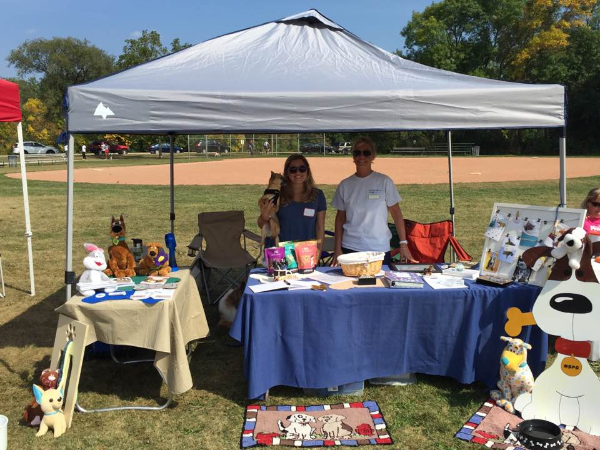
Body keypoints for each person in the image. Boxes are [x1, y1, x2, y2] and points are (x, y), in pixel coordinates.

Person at [331, 137, 416, 266]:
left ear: (373, 156)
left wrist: (403, 244)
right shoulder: (345, 185)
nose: (361, 156)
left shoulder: (384, 181)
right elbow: (339, 219)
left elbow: (397, 214)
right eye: (357, 153)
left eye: (366, 153)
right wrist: (337, 249)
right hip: (350, 247)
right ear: (353, 156)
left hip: (379, 248)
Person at [257, 154, 326, 254]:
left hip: (306, 253)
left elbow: (320, 227)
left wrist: (318, 253)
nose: (298, 172)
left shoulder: (318, 195)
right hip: (278, 252)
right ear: (287, 172)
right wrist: (264, 216)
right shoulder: (276, 194)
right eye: (293, 169)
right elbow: (261, 224)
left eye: (302, 168)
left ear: (307, 170)